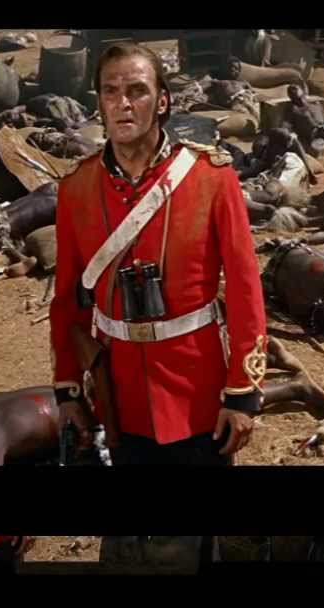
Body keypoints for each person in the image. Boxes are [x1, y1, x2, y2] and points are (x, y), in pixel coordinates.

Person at [48, 42, 268, 567]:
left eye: (137, 91)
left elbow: (244, 290)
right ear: (99, 103)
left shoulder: (211, 178)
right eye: (110, 92)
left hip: (196, 392)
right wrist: (68, 390)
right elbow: (68, 302)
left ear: (162, 101)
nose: (123, 103)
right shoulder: (77, 188)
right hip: (117, 390)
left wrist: (242, 394)